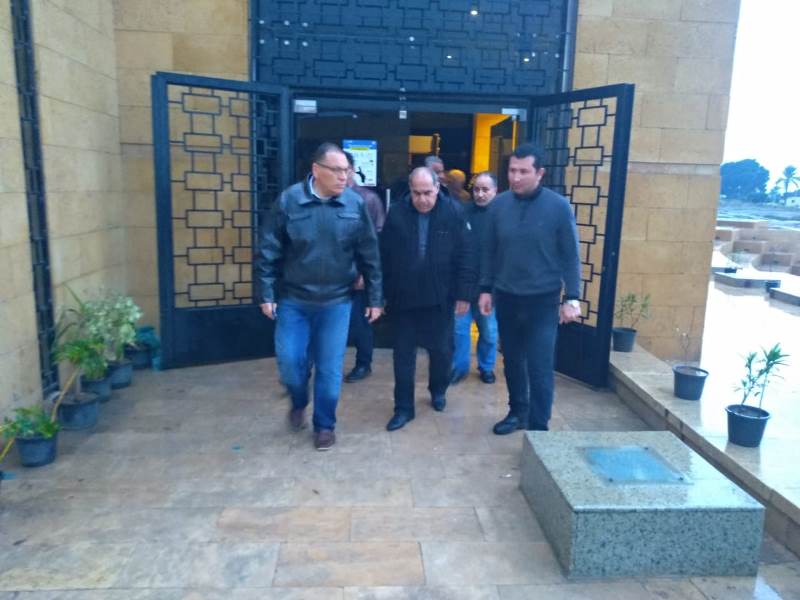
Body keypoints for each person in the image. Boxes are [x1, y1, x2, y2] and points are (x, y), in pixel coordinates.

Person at [256, 142, 383, 450]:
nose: (344, 177)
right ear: (316, 170)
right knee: (290, 363)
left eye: (347, 171)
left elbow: (370, 254)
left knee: (329, 368)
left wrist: (375, 298)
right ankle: (299, 400)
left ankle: (325, 425)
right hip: (294, 300)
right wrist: (266, 292)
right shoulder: (289, 201)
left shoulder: (354, 204)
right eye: (336, 170)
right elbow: (268, 249)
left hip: (337, 302)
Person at [478, 143, 581, 435]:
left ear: (540, 173)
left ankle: (538, 427)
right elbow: (489, 251)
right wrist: (485, 288)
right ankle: (518, 412)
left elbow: (570, 255)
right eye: (512, 170)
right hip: (507, 297)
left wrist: (572, 297)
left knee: (539, 365)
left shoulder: (558, 207)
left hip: (543, 301)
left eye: (523, 171)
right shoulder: (498, 206)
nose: (516, 177)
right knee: (512, 361)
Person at [380, 167, 476, 431]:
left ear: (437, 188)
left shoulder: (454, 212)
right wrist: (382, 294)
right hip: (404, 298)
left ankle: (438, 389)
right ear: (409, 191)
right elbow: (384, 254)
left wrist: (464, 294)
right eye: (416, 193)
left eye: (427, 193)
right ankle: (403, 408)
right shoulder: (397, 213)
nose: (422, 199)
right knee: (403, 356)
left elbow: (467, 255)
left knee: (441, 352)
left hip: (440, 297)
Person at [451, 171, 499, 385]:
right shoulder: (462, 213)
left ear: (495, 190)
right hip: (463, 285)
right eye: (477, 189)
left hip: (489, 288)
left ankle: (486, 367)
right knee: (459, 331)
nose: (480, 194)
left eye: (485, 190)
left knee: (489, 332)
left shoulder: (501, 215)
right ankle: (459, 368)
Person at [343, 151, 386, 383]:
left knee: (360, 323)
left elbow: (378, 240)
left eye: (343, 169)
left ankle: (363, 363)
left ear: (352, 169)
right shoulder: (324, 199)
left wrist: (364, 273)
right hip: (332, 275)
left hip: (358, 273)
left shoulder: (368, 199)